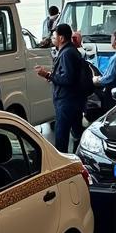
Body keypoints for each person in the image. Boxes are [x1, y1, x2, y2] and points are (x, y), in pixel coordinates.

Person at [35, 23, 88, 152]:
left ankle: (63, 163)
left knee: (61, 135)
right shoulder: (71, 51)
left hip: (66, 100)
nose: (52, 39)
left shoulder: (66, 54)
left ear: (62, 38)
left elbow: (68, 78)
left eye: (54, 36)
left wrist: (48, 75)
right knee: (76, 132)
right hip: (74, 99)